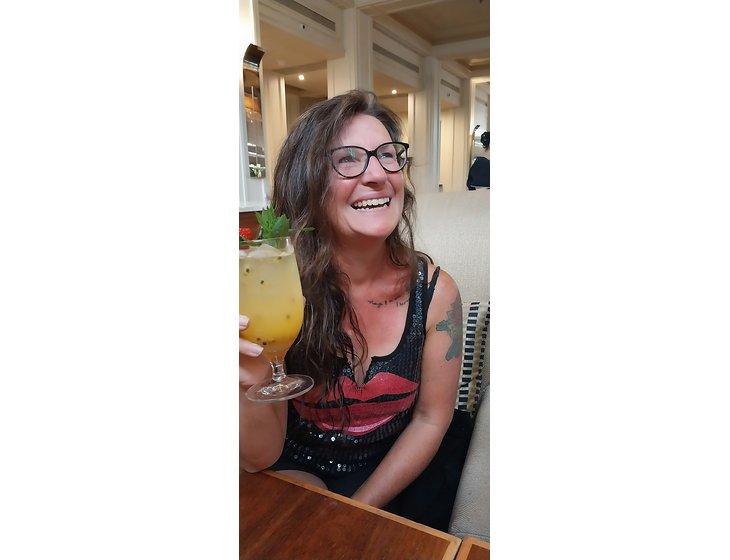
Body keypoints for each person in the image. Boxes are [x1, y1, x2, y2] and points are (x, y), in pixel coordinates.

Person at [239, 90, 469, 530]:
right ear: (308, 181)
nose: (378, 174)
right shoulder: (277, 292)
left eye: (387, 155)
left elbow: (430, 418)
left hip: (394, 471)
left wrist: (356, 510)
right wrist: (247, 381)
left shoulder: (435, 294)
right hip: (297, 466)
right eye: (348, 159)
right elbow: (260, 458)